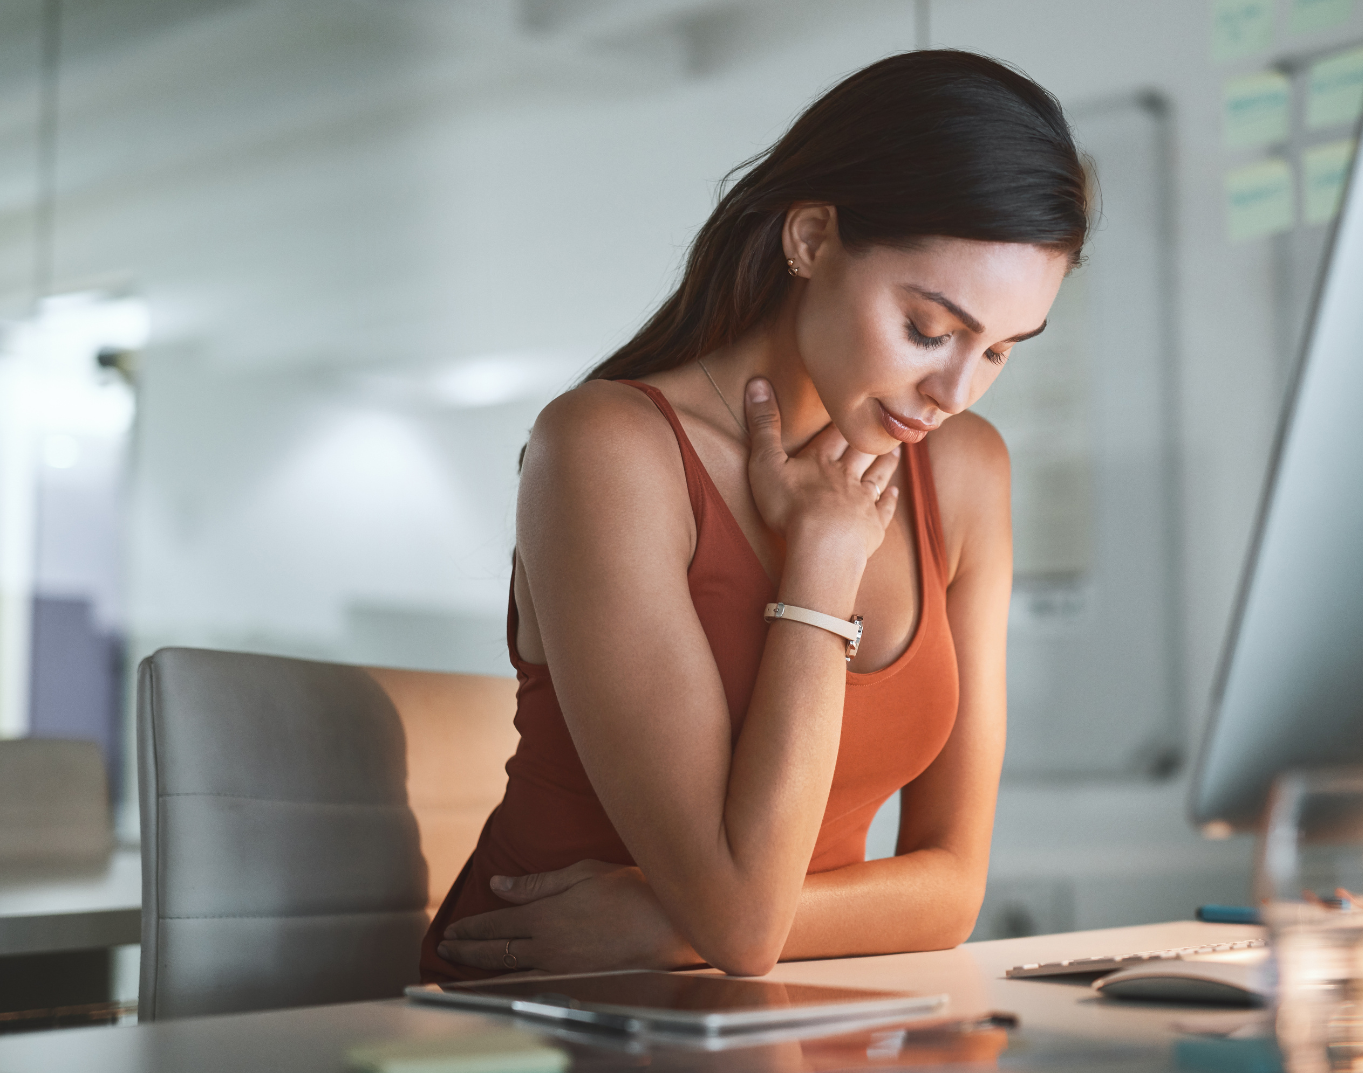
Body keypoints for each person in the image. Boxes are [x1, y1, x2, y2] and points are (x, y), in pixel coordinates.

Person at [420, 49, 1089, 982]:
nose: (952, 391)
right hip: (549, 1000)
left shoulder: (965, 470)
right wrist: (823, 556)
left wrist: (664, 924)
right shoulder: (607, 448)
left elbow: (951, 887)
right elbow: (739, 921)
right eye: (928, 331)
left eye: (999, 351)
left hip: (788, 1000)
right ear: (811, 238)